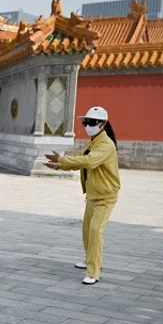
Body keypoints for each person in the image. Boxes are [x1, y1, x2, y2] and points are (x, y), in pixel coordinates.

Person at [45, 105, 120, 285]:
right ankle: (89, 259)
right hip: (93, 194)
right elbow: (80, 159)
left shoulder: (106, 145)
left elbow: (89, 161)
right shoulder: (92, 142)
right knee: (87, 230)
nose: (87, 125)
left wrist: (63, 160)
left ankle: (93, 271)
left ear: (102, 124)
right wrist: (60, 165)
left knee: (95, 230)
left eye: (91, 122)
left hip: (106, 196)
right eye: (86, 122)